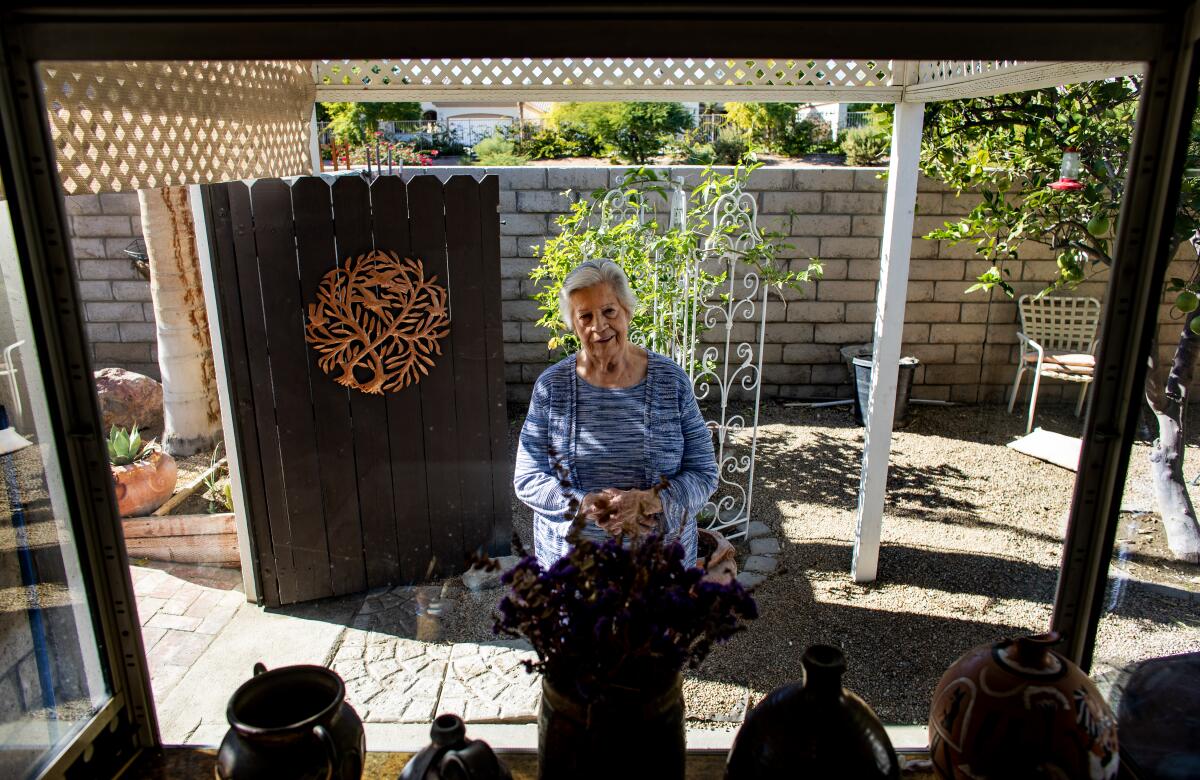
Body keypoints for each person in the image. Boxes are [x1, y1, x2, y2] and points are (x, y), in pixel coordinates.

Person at [514, 258, 718, 569]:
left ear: (627, 311)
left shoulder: (670, 381)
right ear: (572, 323)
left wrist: (650, 500)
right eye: (585, 316)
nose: (599, 326)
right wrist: (582, 503)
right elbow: (528, 477)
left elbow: (703, 472)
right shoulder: (552, 388)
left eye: (609, 311)